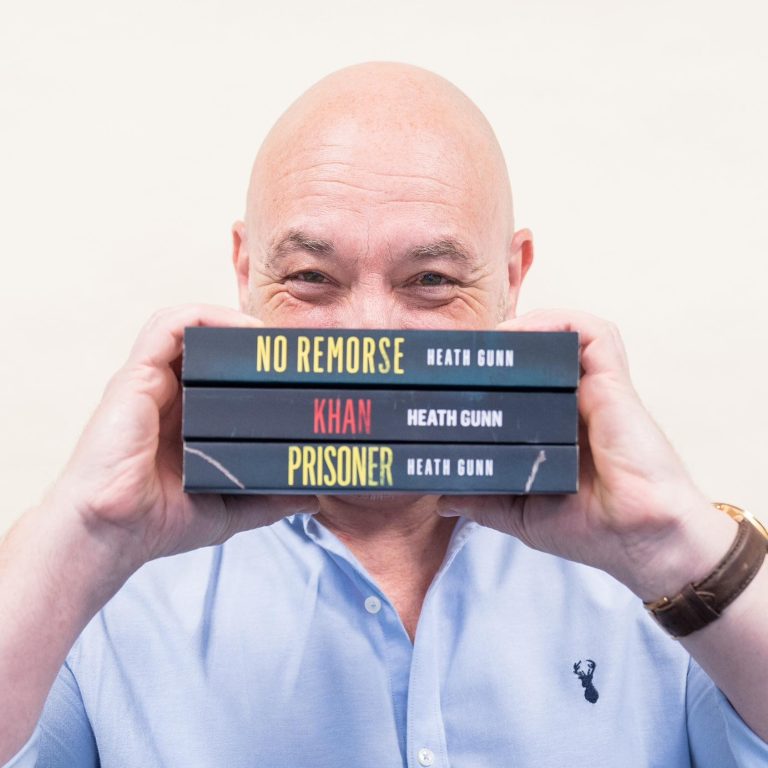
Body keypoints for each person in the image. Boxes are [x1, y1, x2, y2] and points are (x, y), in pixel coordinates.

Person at [1, 62, 766, 767]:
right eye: (311, 276)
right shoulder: (96, 591)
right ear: (246, 268)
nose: (369, 334)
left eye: (431, 280)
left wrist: (671, 540)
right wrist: (85, 532)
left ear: (511, 276)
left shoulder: (669, 584)